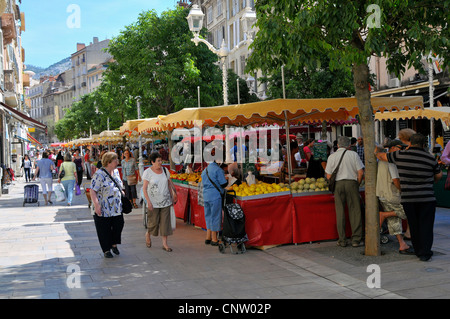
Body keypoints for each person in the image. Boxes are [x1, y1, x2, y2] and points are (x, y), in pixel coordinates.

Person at [375, 133, 442, 261]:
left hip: (409, 199)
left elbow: (381, 156)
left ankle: (418, 251)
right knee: (426, 226)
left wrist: (378, 149)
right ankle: (425, 252)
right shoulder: (430, 158)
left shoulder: (399, 155)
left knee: (414, 225)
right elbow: (438, 175)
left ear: (410, 143)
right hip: (427, 199)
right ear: (424, 145)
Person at [325, 136, 364, 247]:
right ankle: (356, 239)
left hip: (338, 184)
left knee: (340, 212)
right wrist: (357, 184)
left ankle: (342, 240)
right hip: (352, 183)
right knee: (355, 211)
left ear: (338, 145)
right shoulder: (354, 155)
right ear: (349, 145)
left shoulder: (332, 157)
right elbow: (360, 172)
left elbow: (328, 175)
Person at [376, 139, 412, 254]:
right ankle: (384, 215)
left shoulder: (381, 158)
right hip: (391, 193)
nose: (401, 150)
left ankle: (402, 244)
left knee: (394, 220)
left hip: (382, 193)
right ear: (392, 148)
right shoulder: (391, 160)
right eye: (400, 148)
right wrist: (402, 191)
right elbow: (395, 180)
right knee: (408, 211)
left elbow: (376, 149)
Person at [90, 152, 125, 258]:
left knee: (119, 224)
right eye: (116, 160)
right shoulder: (99, 174)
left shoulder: (116, 172)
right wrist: (96, 205)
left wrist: (121, 192)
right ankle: (106, 249)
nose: (118, 162)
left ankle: (113, 244)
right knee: (104, 229)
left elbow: (119, 184)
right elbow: (92, 190)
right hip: (103, 207)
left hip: (116, 206)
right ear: (109, 162)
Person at [142, 151, 178, 252]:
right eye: (158, 161)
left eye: (161, 160)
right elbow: (144, 189)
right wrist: (148, 202)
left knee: (165, 223)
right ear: (152, 162)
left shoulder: (165, 170)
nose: (160, 163)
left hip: (165, 201)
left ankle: (165, 244)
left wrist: (174, 194)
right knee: (153, 223)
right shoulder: (147, 172)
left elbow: (169, 183)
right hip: (153, 202)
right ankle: (148, 234)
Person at [201, 151, 227, 246]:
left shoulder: (205, 170)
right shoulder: (218, 170)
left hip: (206, 195)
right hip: (215, 196)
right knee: (215, 216)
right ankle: (214, 239)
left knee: (208, 216)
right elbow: (223, 184)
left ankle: (208, 237)